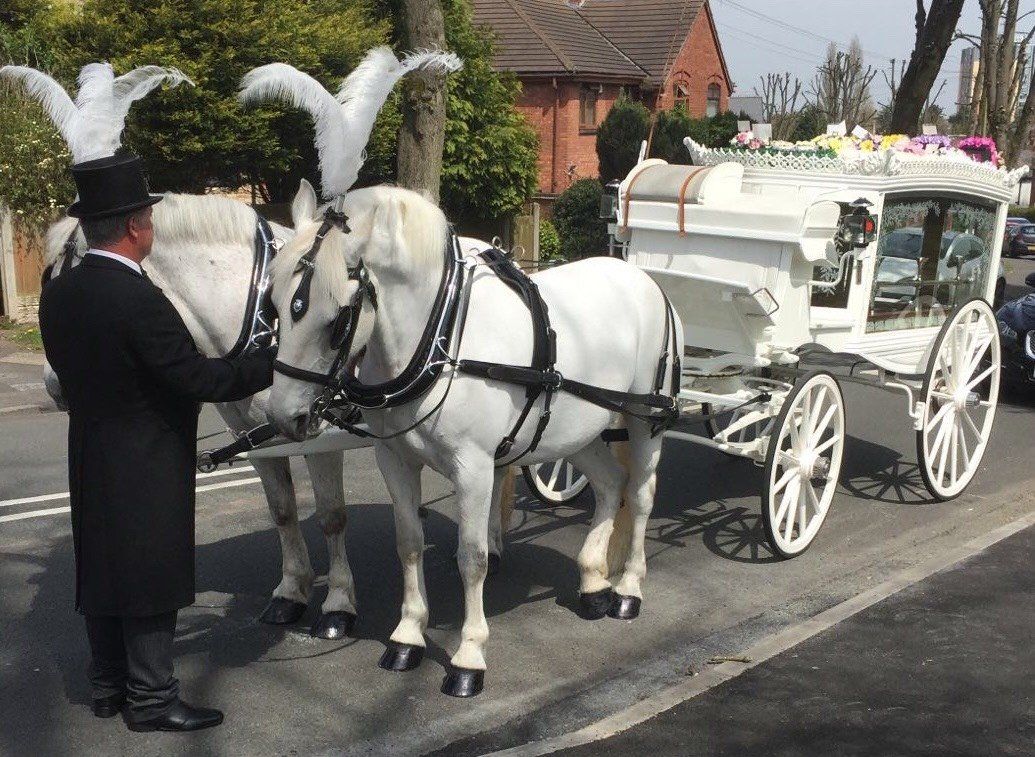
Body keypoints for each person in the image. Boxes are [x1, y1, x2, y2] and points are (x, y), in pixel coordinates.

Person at [38, 152, 276, 732]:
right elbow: (192, 378)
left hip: (90, 451)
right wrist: (263, 366)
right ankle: (150, 698)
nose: (151, 227)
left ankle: (106, 686)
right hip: (146, 457)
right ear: (135, 228)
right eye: (148, 217)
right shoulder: (140, 299)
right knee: (148, 574)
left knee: (101, 567)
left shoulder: (59, 293)